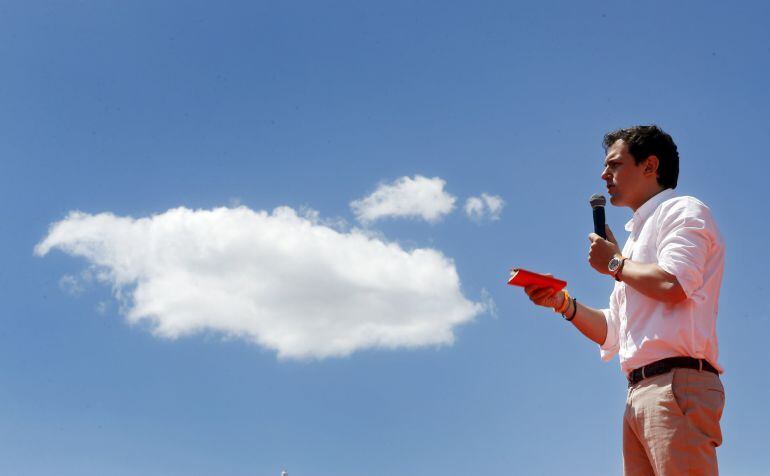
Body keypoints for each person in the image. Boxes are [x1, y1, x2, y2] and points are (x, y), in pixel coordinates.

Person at [523, 125, 726, 475]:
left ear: (650, 165)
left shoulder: (683, 210)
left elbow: (674, 283)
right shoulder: (632, 244)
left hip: (676, 385)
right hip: (639, 393)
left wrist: (616, 265)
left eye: (614, 164)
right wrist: (563, 303)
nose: (604, 174)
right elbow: (614, 331)